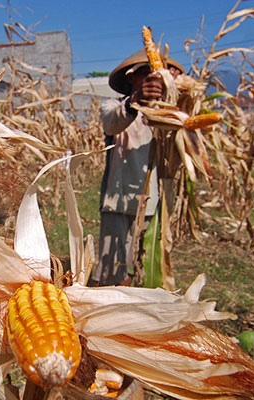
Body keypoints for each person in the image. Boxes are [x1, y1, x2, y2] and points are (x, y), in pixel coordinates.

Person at [90, 49, 183, 286]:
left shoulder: (167, 114)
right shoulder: (115, 106)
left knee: (141, 268)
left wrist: (177, 91)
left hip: (151, 204)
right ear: (131, 78)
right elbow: (112, 123)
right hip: (118, 201)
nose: (154, 79)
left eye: (158, 74)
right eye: (145, 73)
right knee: (113, 271)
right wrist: (135, 102)